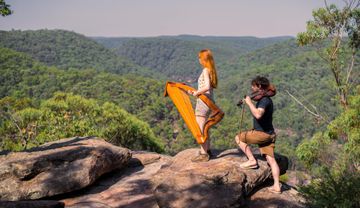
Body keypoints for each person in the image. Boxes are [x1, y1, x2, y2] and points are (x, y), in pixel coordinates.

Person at [235, 76, 281, 194]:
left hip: (262, 134)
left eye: (253, 86)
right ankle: (277, 186)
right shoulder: (265, 99)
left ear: (259, 86)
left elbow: (258, 115)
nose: (252, 88)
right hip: (270, 134)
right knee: (271, 160)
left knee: (238, 138)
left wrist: (250, 103)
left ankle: (252, 160)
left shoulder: (264, 100)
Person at [188, 49, 218, 162]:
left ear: (204, 59)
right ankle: (208, 150)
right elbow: (208, 88)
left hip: (203, 101)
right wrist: (196, 92)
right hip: (209, 101)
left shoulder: (206, 70)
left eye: (200, 57)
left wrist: (197, 93)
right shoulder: (211, 70)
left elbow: (206, 87)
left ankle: (203, 153)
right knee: (205, 127)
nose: (199, 59)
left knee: (200, 128)